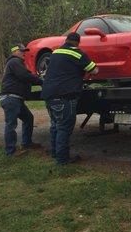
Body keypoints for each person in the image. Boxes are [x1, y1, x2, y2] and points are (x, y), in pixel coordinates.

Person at [42, 32, 98, 164]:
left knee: (55, 125)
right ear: (78, 43)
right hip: (64, 96)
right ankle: (62, 160)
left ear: (66, 40)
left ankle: (56, 154)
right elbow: (94, 70)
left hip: (49, 95)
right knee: (64, 128)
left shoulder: (55, 52)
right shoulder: (78, 54)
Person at [0, 43, 43, 156]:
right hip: (11, 98)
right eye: (22, 51)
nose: (24, 53)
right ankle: (10, 151)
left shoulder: (15, 63)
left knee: (28, 118)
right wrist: (41, 81)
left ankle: (26, 143)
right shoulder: (14, 61)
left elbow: (24, 78)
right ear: (15, 52)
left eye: (24, 51)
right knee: (11, 124)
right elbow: (25, 76)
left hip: (15, 98)